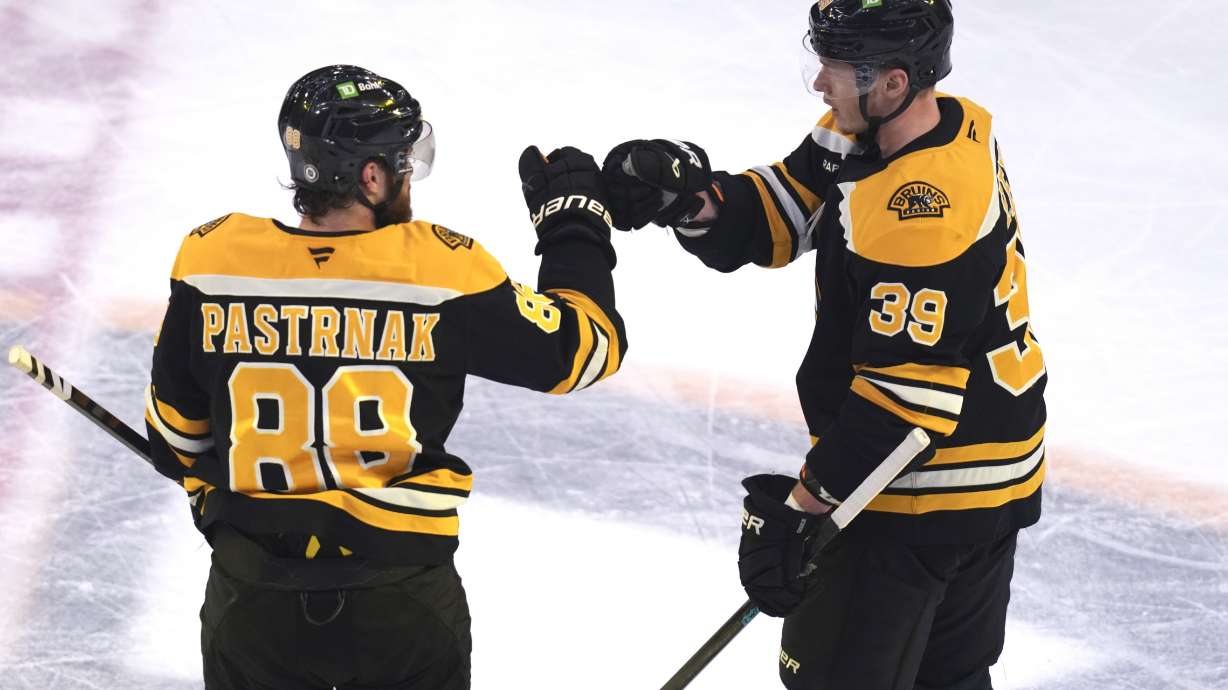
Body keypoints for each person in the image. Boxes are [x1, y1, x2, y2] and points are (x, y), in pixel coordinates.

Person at [601, 2, 1045, 689]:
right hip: (990, 465)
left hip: (924, 491)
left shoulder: (920, 206)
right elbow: (792, 202)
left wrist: (804, 511)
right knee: (946, 681)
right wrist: (693, 201)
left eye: (835, 69)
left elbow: (905, 406)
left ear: (893, 81)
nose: (819, 85)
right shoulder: (914, 126)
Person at [142, 64, 626, 689]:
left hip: (254, 603)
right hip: (400, 608)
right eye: (401, 162)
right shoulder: (441, 270)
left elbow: (176, 442)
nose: (406, 177)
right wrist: (572, 226)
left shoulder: (210, 259)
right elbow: (587, 350)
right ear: (370, 176)